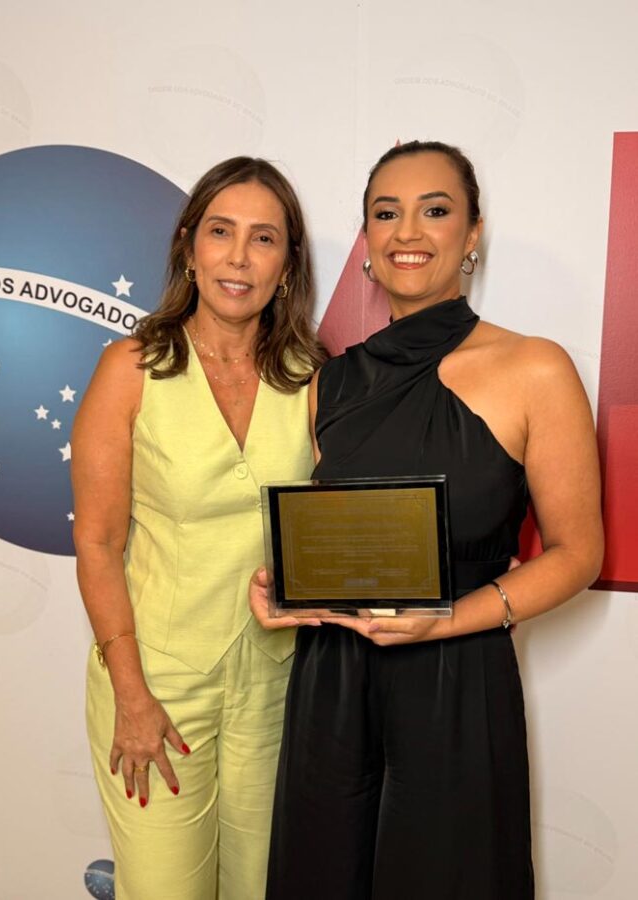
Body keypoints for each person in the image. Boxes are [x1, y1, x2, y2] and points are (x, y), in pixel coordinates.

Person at [250, 140, 604, 899]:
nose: (407, 231)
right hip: (332, 682)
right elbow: (336, 539)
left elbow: (578, 554)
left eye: (434, 210)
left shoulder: (536, 368)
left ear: (472, 233)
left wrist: (445, 621)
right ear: (367, 242)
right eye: (386, 214)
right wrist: (284, 587)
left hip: (458, 679)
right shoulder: (327, 383)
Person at [72, 156, 325, 900]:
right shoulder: (130, 367)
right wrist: (132, 696)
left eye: (263, 238)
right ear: (189, 246)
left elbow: (331, 526)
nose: (239, 257)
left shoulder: (312, 374)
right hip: (155, 685)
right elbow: (96, 544)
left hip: (274, 687)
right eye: (221, 232)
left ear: (286, 265)